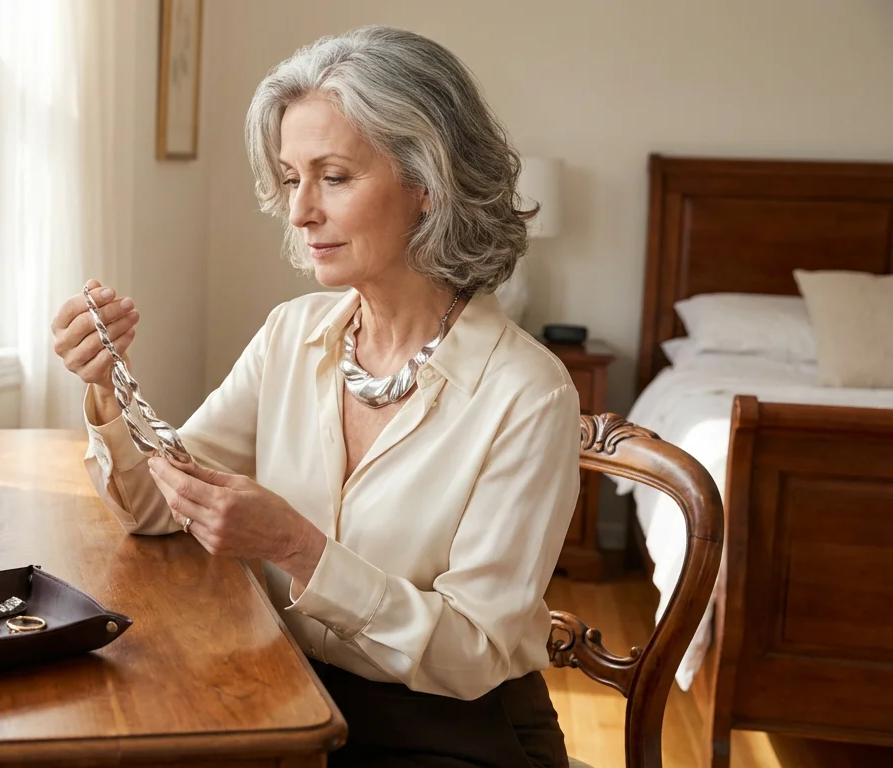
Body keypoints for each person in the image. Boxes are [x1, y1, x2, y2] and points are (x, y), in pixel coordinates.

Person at [51, 25, 577, 768]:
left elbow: (473, 654)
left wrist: (296, 547)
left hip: (453, 729)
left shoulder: (528, 394)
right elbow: (155, 509)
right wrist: (103, 384)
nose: (300, 212)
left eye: (333, 177)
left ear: (429, 185)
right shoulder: (290, 336)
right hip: (286, 689)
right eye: (292, 178)